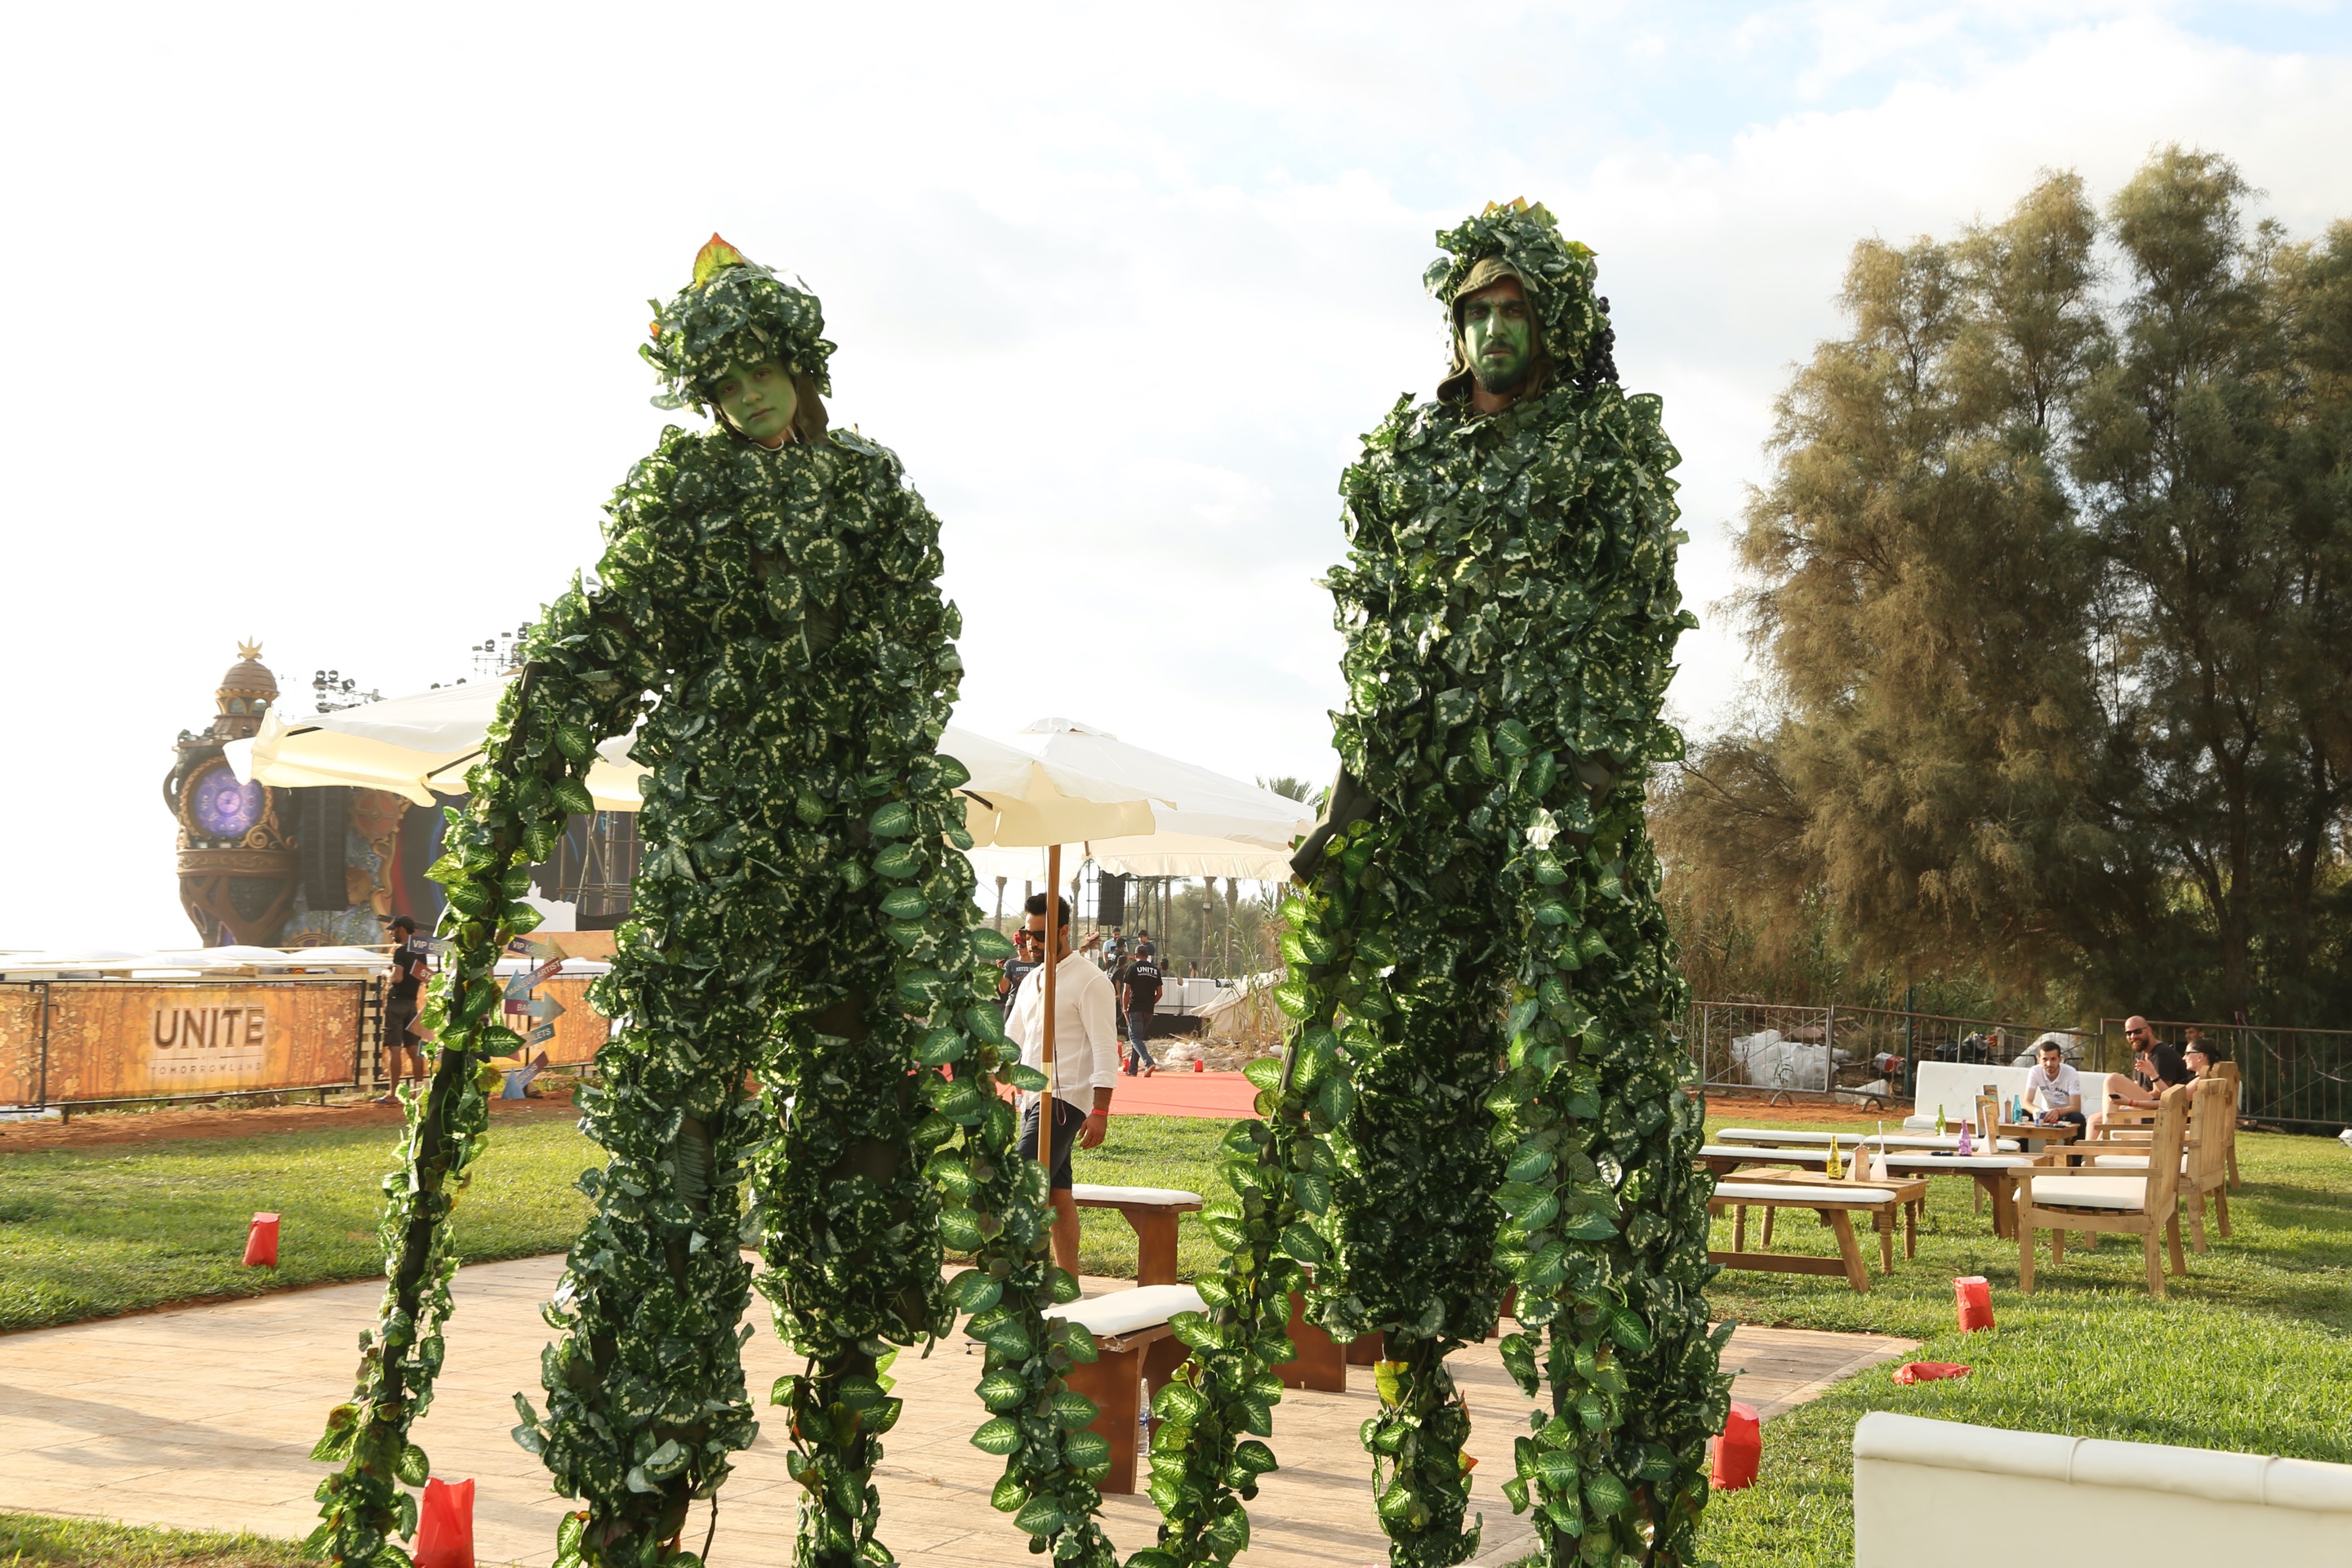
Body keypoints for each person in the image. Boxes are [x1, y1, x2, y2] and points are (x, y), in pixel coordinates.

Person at [1004, 893, 1120, 1276]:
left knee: (1023, 1185)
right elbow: (1013, 1039)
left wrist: (1100, 1110)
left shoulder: (1090, 980)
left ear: (1063, 931)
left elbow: (1105, 1049)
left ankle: (1024, 1282)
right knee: (1057, 1193)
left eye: (1039, 935)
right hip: (1032, 1099)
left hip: (1064, 1100)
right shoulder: (1032, 979)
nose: (1031, 943)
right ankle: (1069, 1284)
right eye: (1027, 934)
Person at [2089, 1016, 2193, 1137]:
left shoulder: (2162, 1055)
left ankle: (2106, 1133)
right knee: (2093, 1120)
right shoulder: (2140, 1055)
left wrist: (2133, 1103)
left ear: (2149, 1030)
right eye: (2128, 1033)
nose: (2133, 1036)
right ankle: (2092, 1148)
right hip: (2143, 1106)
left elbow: (2160, 1094)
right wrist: (2124, 1104)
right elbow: (2137, 1086)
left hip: (2162, 1110)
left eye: (2137, 1032)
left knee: (2112, 1079)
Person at [379, 915, 430, 1102]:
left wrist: (386, 973)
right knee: (414, 1049)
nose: (392, 933)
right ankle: (419, 1092)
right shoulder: (420, 953)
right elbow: (426, 978)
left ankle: (393, 1094)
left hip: (396, 1003)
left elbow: (397, 978)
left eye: (393, 930)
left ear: (401, 929)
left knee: (394, 1048)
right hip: (411, 1003)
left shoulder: (400, 951)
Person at [2022, 1038, 2084, 1130]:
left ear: (2060, 1059)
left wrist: (2058, 1112)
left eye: (2053, 1059)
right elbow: (2026, 1102)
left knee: (2077, 1117)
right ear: (2038, 1059)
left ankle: (2076, 1141)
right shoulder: (2035, 1071)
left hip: (2066, 1114)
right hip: (2045, 1114)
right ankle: (2022, 1141)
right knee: (2022, 1113)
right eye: (2045, 1059)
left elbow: (2076, 1107)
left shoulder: (2071, 1073)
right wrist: (2038, 1111)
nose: (2049, 1064)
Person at [1120, 947, 1165, 1076]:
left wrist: (1125, 1008)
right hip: (1149, 1011)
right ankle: (1133, 1069)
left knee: (1135, 1038)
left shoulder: (1133, 968)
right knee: (1138, 1038)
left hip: (1135, 1008)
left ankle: (1148, 1062)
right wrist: (1150, 1003)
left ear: (1135, 955)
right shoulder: (1155, 970)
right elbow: (1160, 993)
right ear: (1148, 955)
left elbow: (1126, 991)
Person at [997, 926, 1040, 1015]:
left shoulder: (1038, 964)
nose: (1019, 948)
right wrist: (998, 971)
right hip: (1013, 1004)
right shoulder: (1010, 964)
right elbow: (1003, 989)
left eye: (1022, 945)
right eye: (1016, 946)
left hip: (1033, 1004)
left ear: (1028, 944)